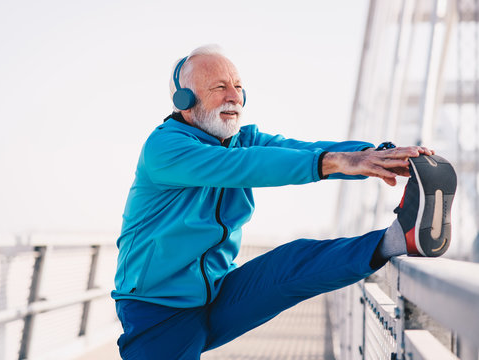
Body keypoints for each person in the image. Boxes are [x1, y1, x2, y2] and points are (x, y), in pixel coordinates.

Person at [111, 45, 457, 359]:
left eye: (238, 86)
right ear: (185, 100)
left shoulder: (241, 139)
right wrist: (336, 164)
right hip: (158, 308)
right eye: (219, 88)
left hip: (215, 293)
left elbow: (299, 149)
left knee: (292, 263)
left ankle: (398, 239)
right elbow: (246, 167)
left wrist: (374, 155)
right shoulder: (165, 149)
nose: (235, 97)